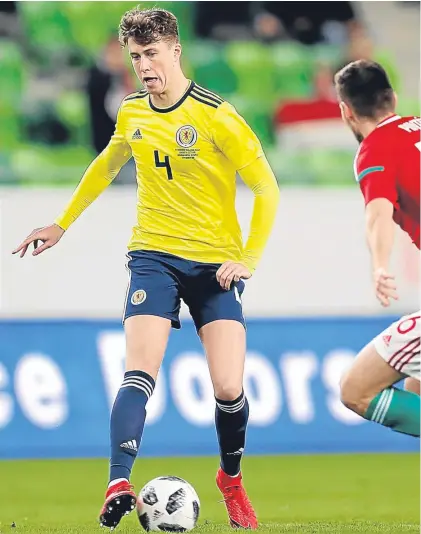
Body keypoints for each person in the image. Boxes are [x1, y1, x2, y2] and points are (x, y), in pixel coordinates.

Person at [12, 7, 280, 531]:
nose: (144, 67)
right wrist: (62, 223)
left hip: (214, 267)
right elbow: (109, 162)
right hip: (153, 258)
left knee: (228, 388)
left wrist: (246, 258)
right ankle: (118, 482)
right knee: (139, 370)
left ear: (176, 51)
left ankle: (231, 480)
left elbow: (267, 188)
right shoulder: (133, 111)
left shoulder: (216, 115)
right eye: (136, 57)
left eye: (152, 54)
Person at [334, 60, 420, 436]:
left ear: (346, 112)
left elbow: (378, 213)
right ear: (394, 97)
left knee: (356, 390)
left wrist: (380, 265)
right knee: (415, 389)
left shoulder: (375, 150)